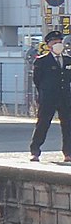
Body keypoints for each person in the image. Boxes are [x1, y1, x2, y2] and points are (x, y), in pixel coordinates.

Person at [32, 33, 69, 163]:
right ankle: (35, 151)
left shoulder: (68, 60)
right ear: (48, 45)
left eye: (59, 42)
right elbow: (37, 80)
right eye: (54, 42)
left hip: (65, 97)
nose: (58, 45)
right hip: (48, 97)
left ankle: (68, 153)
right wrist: (43, 93)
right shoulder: (42, 61)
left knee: (68, 125)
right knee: (43, 123)